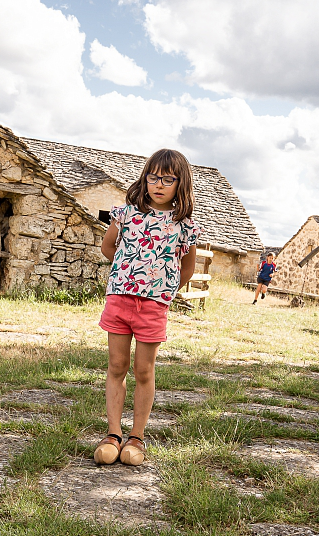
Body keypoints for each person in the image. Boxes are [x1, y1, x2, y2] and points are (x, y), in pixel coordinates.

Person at [93, 149, 202, 467]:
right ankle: (113, 435)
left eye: (168, 179)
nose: (159, 184)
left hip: (153, 308)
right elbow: (107, 247)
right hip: (119, 301)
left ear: (180, 184)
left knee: (144, 370)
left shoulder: (184, 226)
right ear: (145, 178)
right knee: (117, 366)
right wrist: (130, 271)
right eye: (153, 177)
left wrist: (162, 289)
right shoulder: (126, 214)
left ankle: (136, 437)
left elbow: (188, 268)